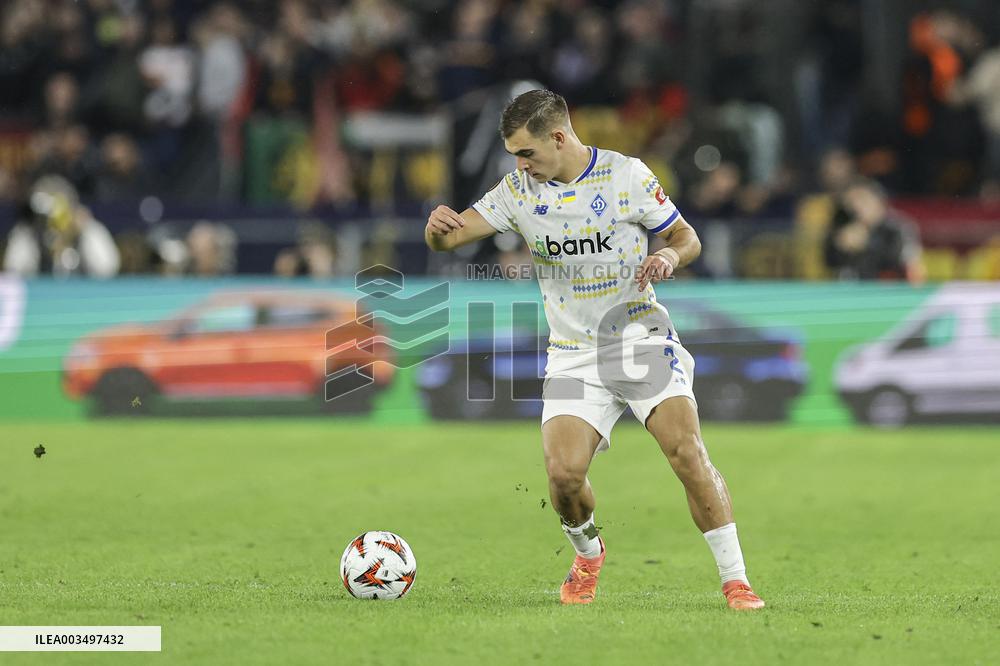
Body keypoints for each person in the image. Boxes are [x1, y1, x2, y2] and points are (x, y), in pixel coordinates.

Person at [424, 89, 764, 610]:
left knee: (687, 454)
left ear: (558, 137)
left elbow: (686, 236)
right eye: (515, 155)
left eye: (527, 153)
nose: (520, 164)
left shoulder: (626, 176)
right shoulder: (517, 191)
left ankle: (735, 579)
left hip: (638, 337)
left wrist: (670, 256)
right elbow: (451, 239)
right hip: (572, 352)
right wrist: (437, 232)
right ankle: (588, 555)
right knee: (563, 477)